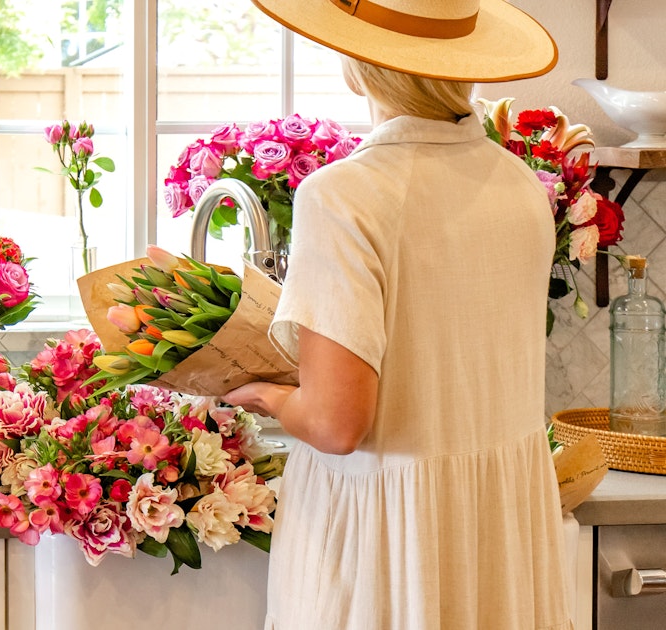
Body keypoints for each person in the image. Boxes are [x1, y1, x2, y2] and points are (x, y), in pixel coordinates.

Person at [222, 1, 569, 628]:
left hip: (381, 545)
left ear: (359, 62)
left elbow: (336, 423)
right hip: (501, 539)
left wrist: (264, 395)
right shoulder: (521, 185)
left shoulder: (343, 195)